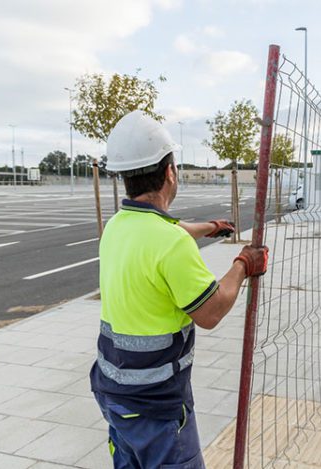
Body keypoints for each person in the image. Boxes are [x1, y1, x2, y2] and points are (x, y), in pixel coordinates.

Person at [90, 111, 269, 469]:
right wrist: (243, 266)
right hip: (156, 404)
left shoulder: (117, 226)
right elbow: (211, 311)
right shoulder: (170, 244)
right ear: (170, 172)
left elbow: (162, 236)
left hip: (113, 390)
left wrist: (210, 226)